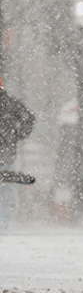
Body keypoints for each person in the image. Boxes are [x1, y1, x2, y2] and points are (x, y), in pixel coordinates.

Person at [0, 80, 36, 229]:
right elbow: (28, 119)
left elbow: (29, 119)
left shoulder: (10, 104)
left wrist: (17, 135)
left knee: (7, 190)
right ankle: (3, 223)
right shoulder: (11, 104)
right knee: (7, 189)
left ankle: (3, 223)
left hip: (6, 155)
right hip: (7, 153)